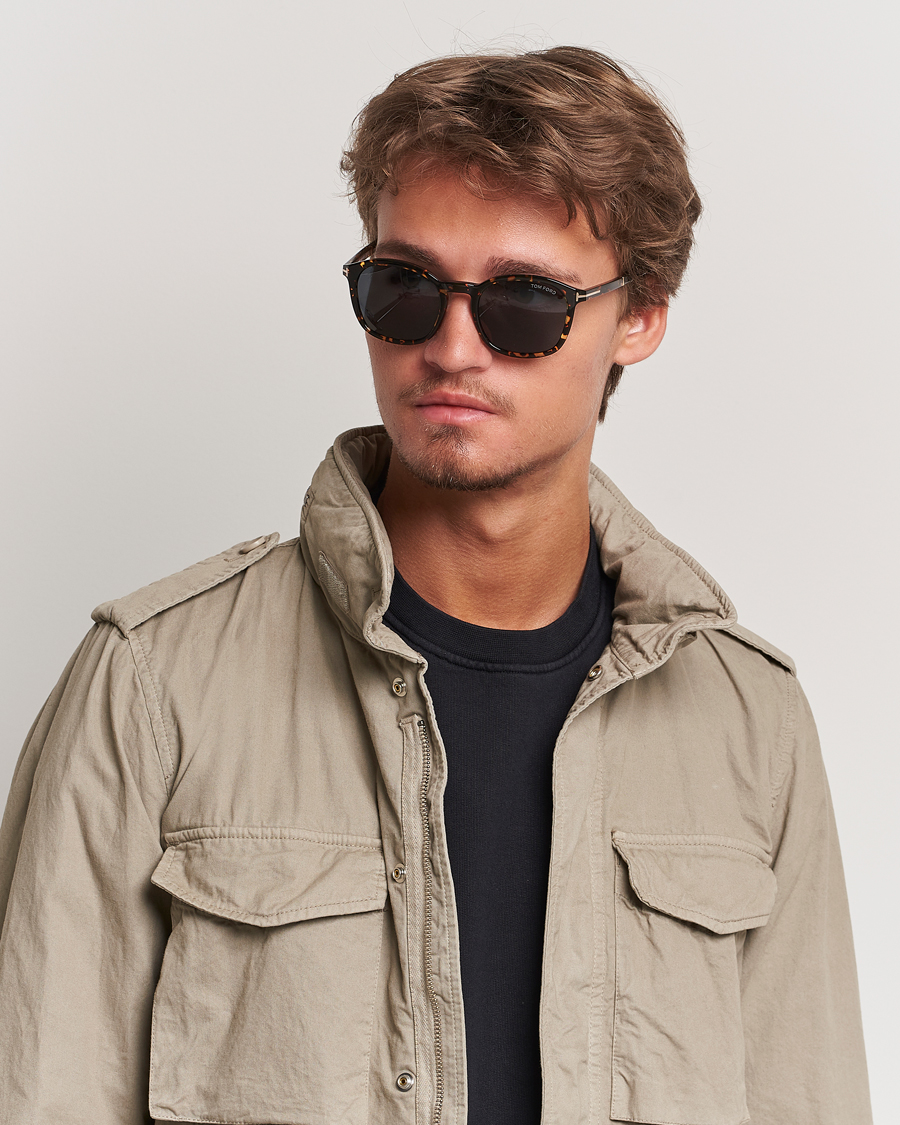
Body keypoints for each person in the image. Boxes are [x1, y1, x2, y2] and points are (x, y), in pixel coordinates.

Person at [0, 45, 871, 1125]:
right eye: (406, 287)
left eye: (525, 302)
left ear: (639, 317)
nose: (453, 346)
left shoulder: (750, 721)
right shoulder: (151, 686)